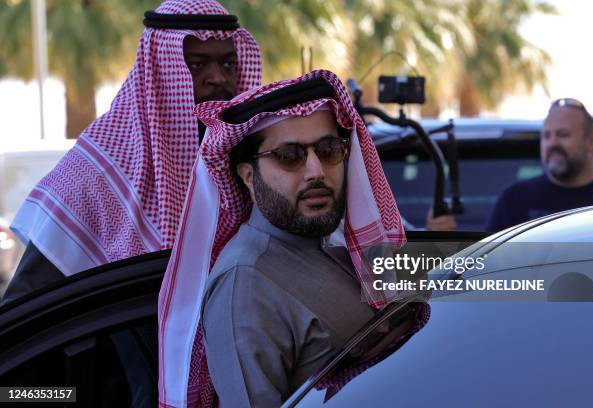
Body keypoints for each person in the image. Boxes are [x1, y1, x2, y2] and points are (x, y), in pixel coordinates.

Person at [158, 71, 407, 406]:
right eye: (290, 156)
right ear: (248, 176)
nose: (316, 171)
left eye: (329, 149)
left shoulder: (339, 247)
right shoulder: (245, 283)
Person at [2, 0, 261, 304]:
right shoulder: (94, 175)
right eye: (197, 65)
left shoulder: (244, 160)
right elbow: (27, 309)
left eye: (228, 65)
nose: (218, 78)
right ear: (161, 72)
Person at [486, 98, 593, 232]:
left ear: (591, 141)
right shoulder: (514, 200)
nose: (552, 143)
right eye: (546, 136)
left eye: (563, 135)